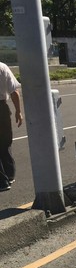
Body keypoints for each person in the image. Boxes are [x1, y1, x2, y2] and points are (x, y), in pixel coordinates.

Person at [0, 61, 22, 192]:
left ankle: (2, 182)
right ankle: (10, 174)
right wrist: (18, 111)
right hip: (3, 109)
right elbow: (14, 91)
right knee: (5, 142)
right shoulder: (2, 67)